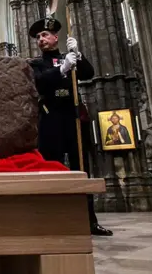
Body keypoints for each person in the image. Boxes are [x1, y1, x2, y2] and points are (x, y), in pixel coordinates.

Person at [28, 17, 113, 236]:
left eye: (45, 35)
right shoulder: (36, 64)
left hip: (73, 119)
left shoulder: (70, 58)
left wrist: (79, 56)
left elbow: (88, 73)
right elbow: (39, 82)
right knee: (50, 170)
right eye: (38, 37)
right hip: (50, 120)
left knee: (81, 169)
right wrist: (61, 70)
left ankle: (89, 221)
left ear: (56, 37)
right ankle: (52, 221)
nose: (41, 40)